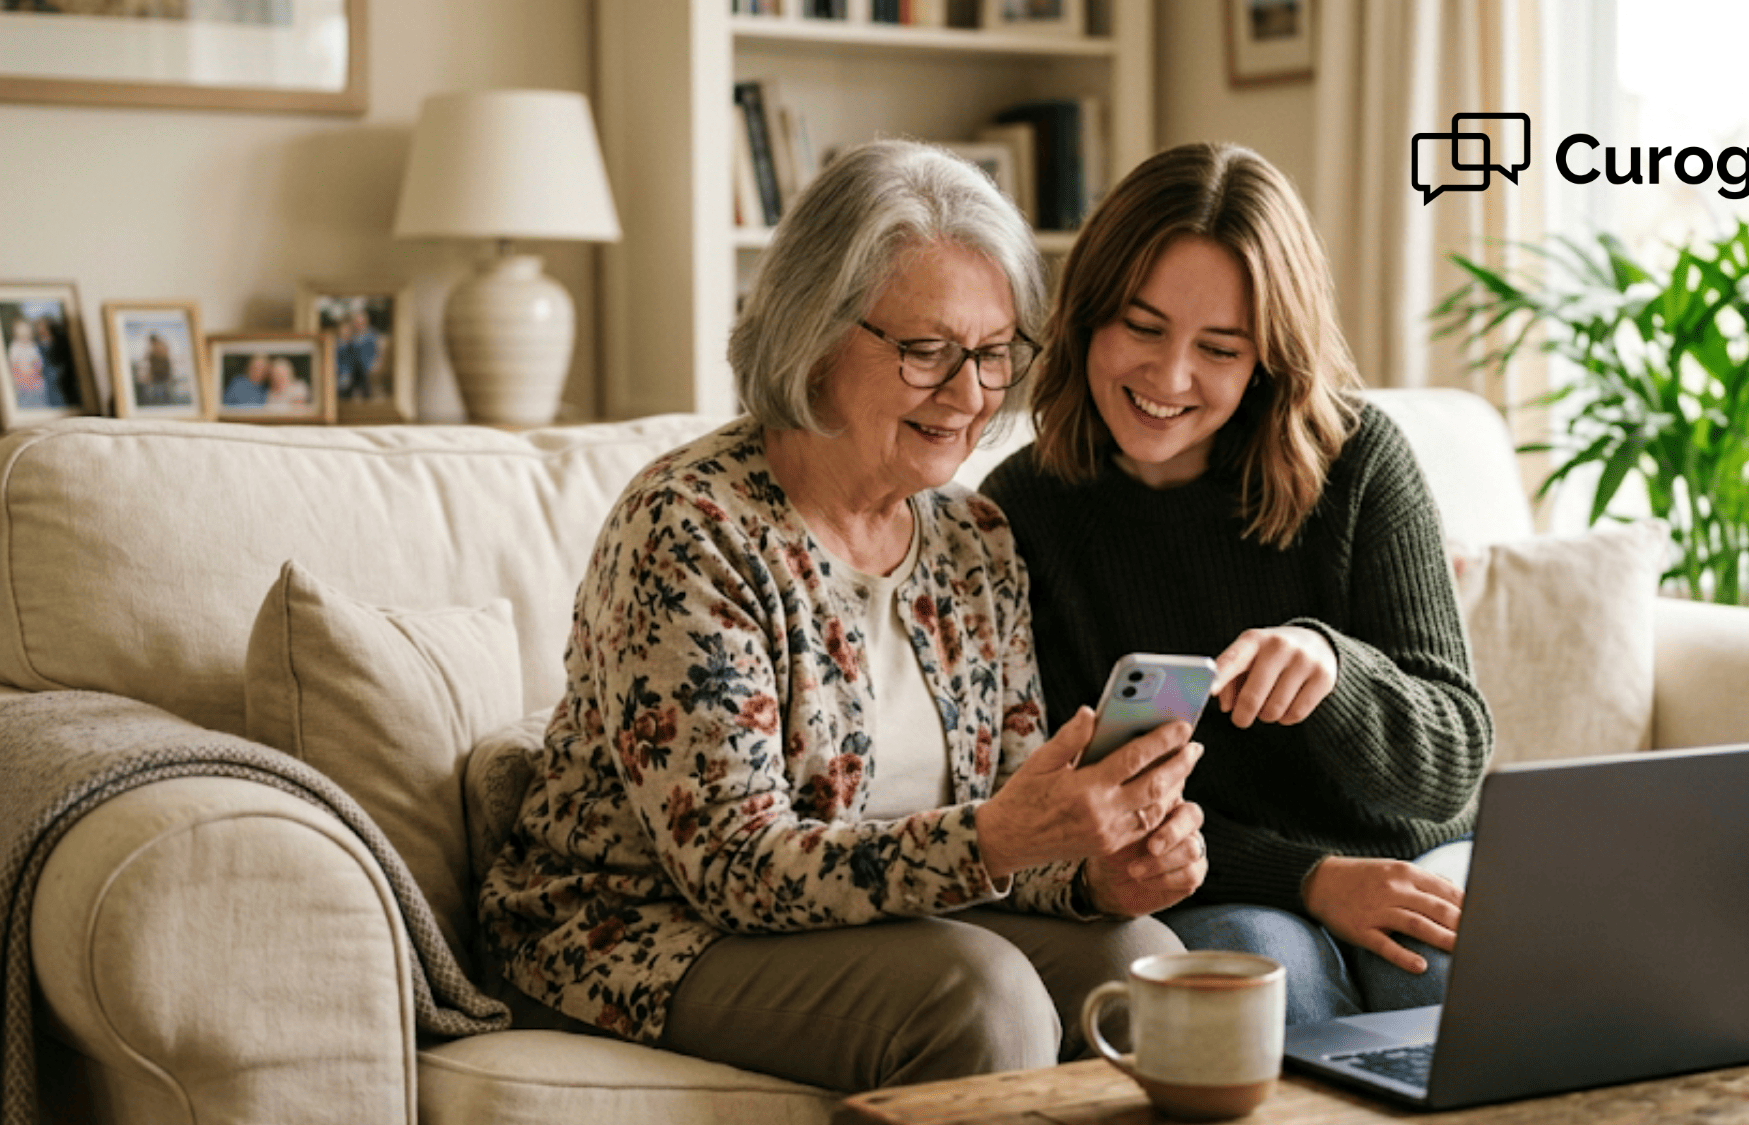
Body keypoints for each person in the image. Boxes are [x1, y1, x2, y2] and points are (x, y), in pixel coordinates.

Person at [480, 139, 1208, 1094]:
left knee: (1146, 963)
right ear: (816, 332)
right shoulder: (693, 528)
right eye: (927, 351)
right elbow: (734, 867)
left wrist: (1092, 872)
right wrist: (995, 838)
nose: (971, 395)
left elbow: (1010, 817)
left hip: (891, 920)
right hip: (638, 928)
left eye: (993, 355)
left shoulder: (976, 539)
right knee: (980, 996)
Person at [981, 142, 1493, 1026]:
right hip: (1226, 876)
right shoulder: (1023, 511)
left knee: (1442, 975)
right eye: (1142, 328)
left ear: (1266, 359)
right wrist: (1309, 878)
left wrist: (1336, 671)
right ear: (1087, 317)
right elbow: (1083, 804)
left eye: (1219, 348)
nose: (1170, 378)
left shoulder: (1360, 463)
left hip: (1413, 856)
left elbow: (1452, 765)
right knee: (1268, 982)